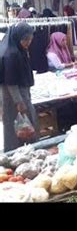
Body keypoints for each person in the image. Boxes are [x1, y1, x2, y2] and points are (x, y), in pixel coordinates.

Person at [0, 23, 39, 151]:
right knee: (18, 127)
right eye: (25, 39)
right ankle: (16, 154)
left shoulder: (18, 50)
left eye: (30, 39)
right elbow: (11, 82)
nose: (28, 42)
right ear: (18, 37)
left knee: (22, 125)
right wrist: (19, 101)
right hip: (14, 96)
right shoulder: (11, 54)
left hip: (19, 94)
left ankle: (27, 151)